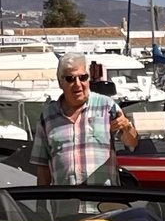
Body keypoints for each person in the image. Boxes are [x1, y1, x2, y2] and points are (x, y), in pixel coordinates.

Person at [24, 57, 137, 187]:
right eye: (70, 79)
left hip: (105, 204)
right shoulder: (47, 116)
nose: (78, 84)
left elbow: (132, 143)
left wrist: (127, 127)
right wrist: (41, 205)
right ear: (60, 83)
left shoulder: (107, 106)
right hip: (65, 204)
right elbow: (43, 168)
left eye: (83, 77)